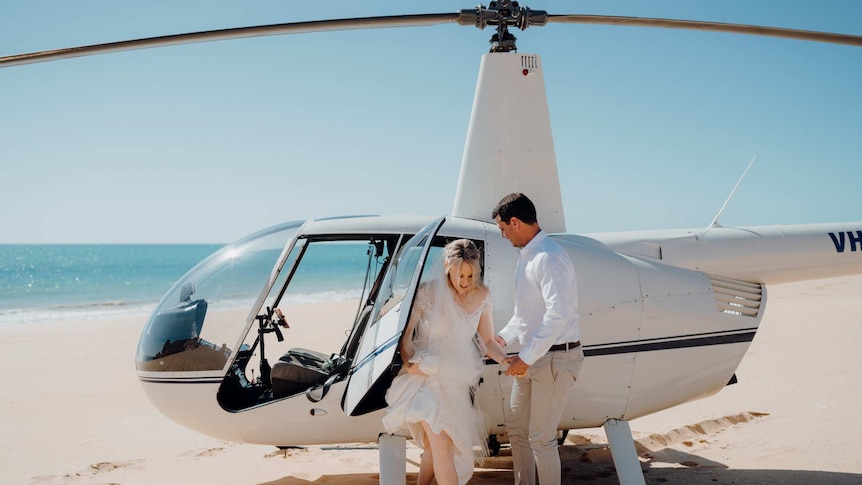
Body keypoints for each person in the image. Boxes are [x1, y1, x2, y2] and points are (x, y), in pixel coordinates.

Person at [383, 239, 508, 485]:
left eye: (470, 275)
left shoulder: (483, 296)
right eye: (459, 274)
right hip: (425, 379)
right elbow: (405, 338)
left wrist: (506, 360)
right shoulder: (426, 293)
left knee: (435, 446)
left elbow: (487, 341)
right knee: (442, 445)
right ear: (447, 267)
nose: (464, 281)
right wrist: (409, 365)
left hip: (456, 383)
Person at [491, 192, 583, 485]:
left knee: (542, 439)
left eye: (503, 229)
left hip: (556, 357)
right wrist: (502, 338)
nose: (503, 236)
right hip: (532, 358)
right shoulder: (527, 257)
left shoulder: (550, 257)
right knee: (517, 431)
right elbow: (524, 316)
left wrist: (525, 358)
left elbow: (557, 316)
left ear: (515, 222)